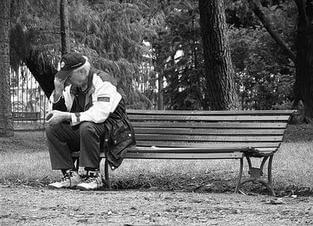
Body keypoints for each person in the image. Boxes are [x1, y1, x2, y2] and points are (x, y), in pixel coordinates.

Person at [46, 52, 135, 190]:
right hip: (88, 133)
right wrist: (58, 91)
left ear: (82, 72)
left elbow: (99, 115)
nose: (67, 80)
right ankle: (70, 176)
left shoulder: (103, 81)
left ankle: (94, 176)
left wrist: (67, 116)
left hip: (113, 133)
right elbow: (59, 113)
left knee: (88, 126)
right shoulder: (72, 87)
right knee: (53, 128)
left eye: (69, 76)